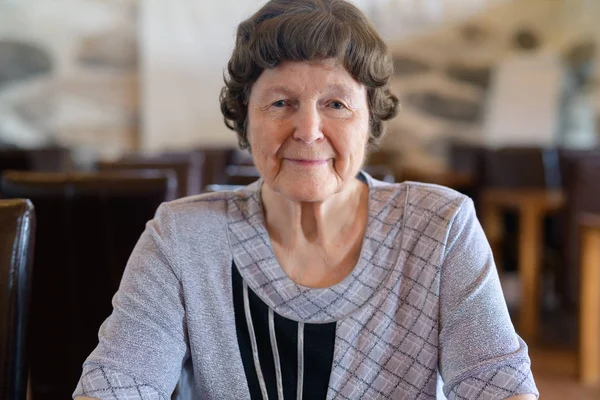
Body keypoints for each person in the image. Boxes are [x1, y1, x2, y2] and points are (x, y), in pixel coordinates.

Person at [74, 0, 538, 399]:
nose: (308, 130)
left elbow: (496, 382)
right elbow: (119, 381)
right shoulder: (181, 238)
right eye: (280, 103)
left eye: (336, 104)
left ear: (370, 118)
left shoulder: (441, 228)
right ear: (244, 118)